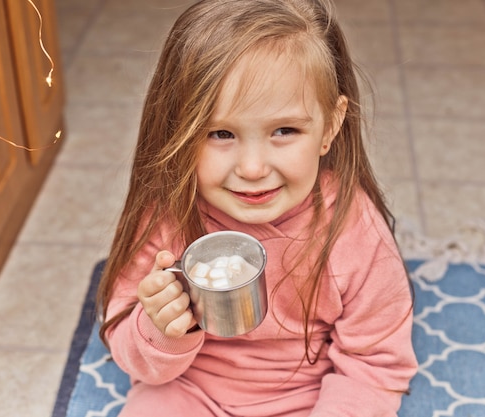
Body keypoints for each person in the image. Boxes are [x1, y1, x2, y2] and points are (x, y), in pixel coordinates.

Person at [96, 0, 417, 415]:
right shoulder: (168, 217)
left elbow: (375, 366)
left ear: (330, 126)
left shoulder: (354, 230)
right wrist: (160, 328)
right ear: (179, 129)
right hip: (187, 389)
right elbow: (133, 354)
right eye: (221, 133)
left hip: (312, 398)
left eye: (284, 131)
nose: (252, 168)